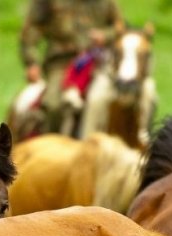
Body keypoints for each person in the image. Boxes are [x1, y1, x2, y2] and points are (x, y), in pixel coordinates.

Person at [17, 0, 124, 139]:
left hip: (100, 62)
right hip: (62, 64)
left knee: (128, 98)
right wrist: (31, 63)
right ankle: (51, 147)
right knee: (54, 105)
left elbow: (120, 27)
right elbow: (31, 31)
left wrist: (105, 35)